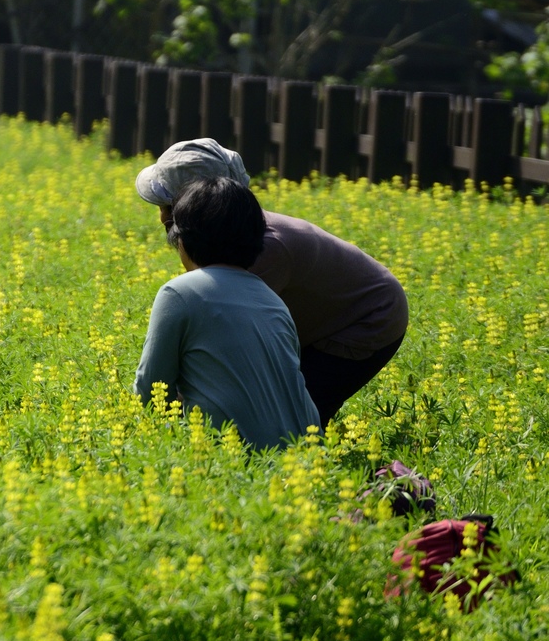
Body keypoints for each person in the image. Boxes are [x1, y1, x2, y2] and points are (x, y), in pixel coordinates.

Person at [135, 138, 408, 427]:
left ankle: (308, 464)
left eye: (168, 204)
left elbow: (231, 341)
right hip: (324, 317)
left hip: (368, 318)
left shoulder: (259, 250)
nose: (163, 216)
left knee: (290, 415)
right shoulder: (234, 234)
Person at [134, 177, 320, 452]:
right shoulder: (272, 299)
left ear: (182, 239)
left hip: (237, 460)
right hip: (305, 457)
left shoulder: (180, 293)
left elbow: (151, 392)